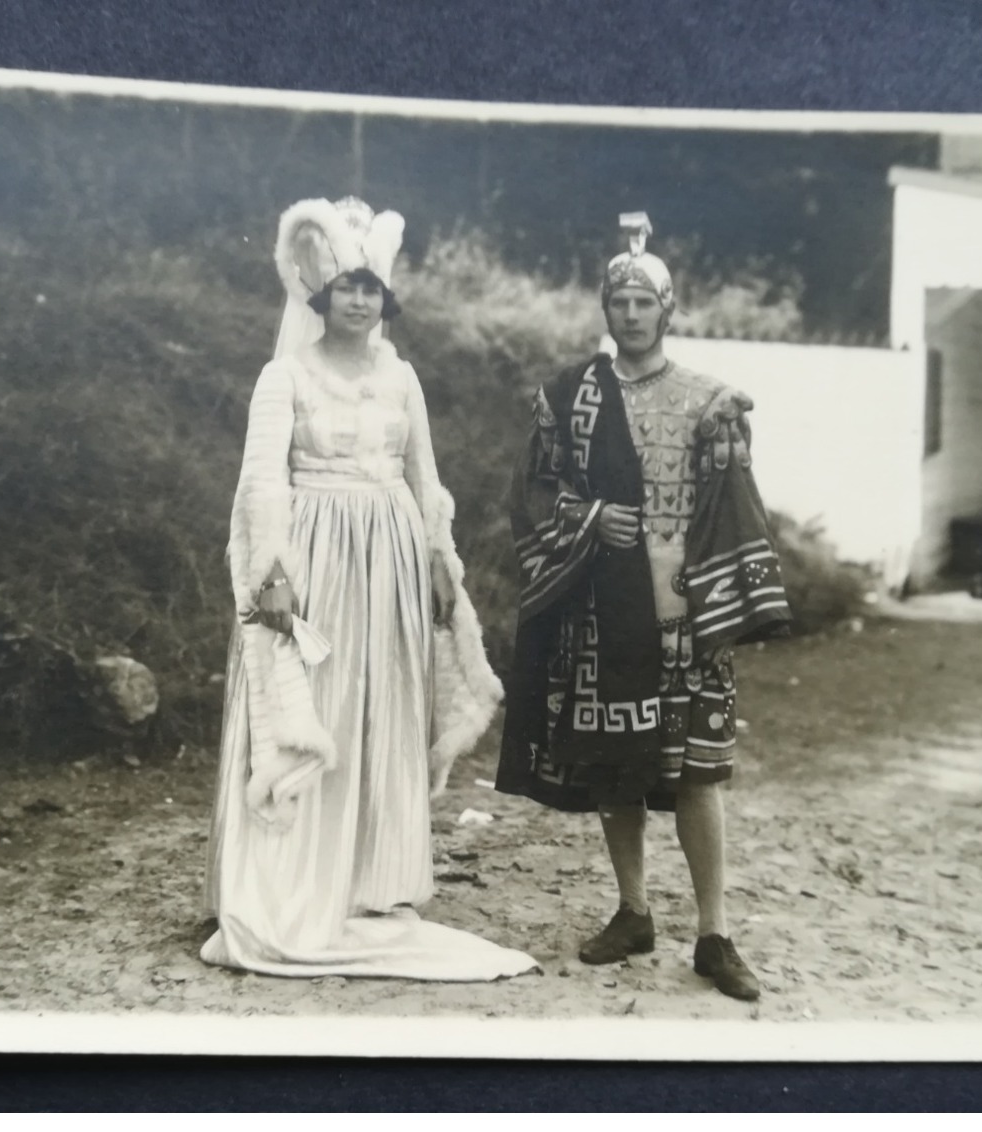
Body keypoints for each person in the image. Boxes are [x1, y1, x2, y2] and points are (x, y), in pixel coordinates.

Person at [200, 196, 537, 981]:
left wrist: (440, 568)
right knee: (318, 703)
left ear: (386, 297)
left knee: (379, 707)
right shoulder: (283, 375)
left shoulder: (403, 379)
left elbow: (428, 482)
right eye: (346, 286)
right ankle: (287, 882)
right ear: (320, 294)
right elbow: (262, 485)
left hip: (388, 553)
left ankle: (367, 884)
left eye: (371, 288)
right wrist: (274, 575)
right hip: (314, 553)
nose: (359, 299)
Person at [495, 213, 792, 1001]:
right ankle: (632, 911)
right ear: (605, 309)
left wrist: (724, 602)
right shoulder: (569, 399)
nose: (630, 314)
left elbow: (733, 505)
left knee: (700, 774)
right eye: (618, 301)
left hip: (684, 615)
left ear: (669, 310)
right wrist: (592, 518)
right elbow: (532, 492)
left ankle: (715, 933)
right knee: (615, 772)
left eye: (644, 302)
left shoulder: (707, 400)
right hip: (600, 611)